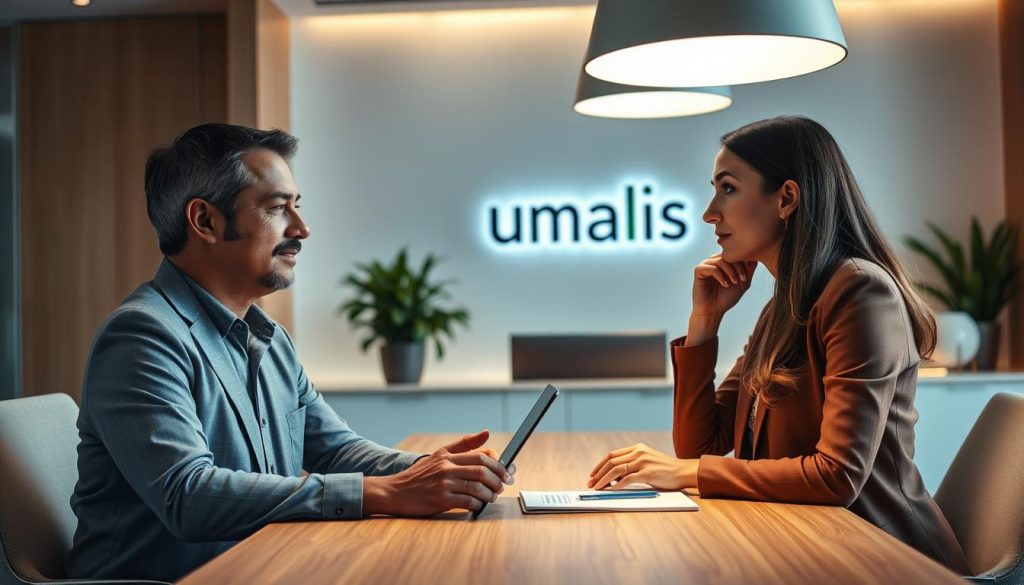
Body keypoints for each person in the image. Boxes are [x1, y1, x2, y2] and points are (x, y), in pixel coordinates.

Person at [66, 124, 513, 582]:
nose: (301, 228)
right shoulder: (142, 336)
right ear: (205, 221)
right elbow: (188, 495)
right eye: (278, 208)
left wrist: (432, 471)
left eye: (297, 207)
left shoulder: (270, 339)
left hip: (263, 568)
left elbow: (337, 451)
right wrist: (382, 492)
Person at [587, 116, 972, 574]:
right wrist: (704, 322)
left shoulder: (861, 293)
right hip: (806, 543)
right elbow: (699, 441)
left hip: (886, 558)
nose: (710, 212)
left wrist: (687, 474)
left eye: (727, 189)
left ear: (786, 198)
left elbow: (838, 476)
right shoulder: (783, 306)